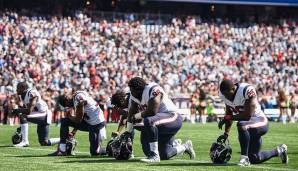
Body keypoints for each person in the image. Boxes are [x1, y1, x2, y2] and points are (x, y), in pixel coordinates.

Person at [217, 80, 288, 166]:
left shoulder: (246, 90)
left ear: (233, 89)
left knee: (242, 124)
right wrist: (226, 134)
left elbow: (247, 116)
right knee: (254, 158)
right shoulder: (225, 95)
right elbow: (229, 114)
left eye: (227, 94)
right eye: (224, 95)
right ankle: (280, 150)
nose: (226, 97)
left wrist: (227, 117)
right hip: (249, 127)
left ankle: (244, 158)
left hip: (260, 121)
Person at [126, 77, 195, 163]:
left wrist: (136, 116)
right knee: (162, 154)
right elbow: (131, 112)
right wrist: (128, 132)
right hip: (159, 122)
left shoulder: (153, 89)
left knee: (149, 121)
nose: (131, 92)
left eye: (131, 89)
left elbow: (152, 111)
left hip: (172, 118)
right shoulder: (134, 96)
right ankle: (184, 147)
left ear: (137, 89)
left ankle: (155, 156)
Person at [49, 90, 106, 156]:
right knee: (65, 121)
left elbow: (78, 119)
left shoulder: (78, 99)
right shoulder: (77, 96)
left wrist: (70, 116)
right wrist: (74, 131)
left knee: (95, 152)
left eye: (67, 105)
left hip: (96, 125)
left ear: (67, 101)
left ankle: (109, 149)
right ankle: (62, 149)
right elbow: (81, 118)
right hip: (91, 122)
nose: (69, 107)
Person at [11, 82, 60, 147]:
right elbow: (25, 111)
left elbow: (28, 111)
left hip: (44, 114)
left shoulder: (32, 93)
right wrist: (21, 128)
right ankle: (64, 139)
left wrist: (16, 110)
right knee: (44, 142)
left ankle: (25, 141)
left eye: (18, 88)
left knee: (23, 116)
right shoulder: (23, 96)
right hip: (40, 115)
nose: (16, 90)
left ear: (23, 88)